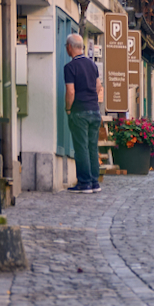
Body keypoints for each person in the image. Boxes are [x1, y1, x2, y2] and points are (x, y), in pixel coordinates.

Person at [62, 34, 101, 194]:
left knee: (81, 147)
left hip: (80, 111)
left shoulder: (70, 67)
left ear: (70, 47)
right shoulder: (92, 65)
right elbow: (98, 86)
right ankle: (94, 182)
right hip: (95, 111)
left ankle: (84, 183)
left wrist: (68, 109)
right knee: (92, 146)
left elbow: (70, 91)